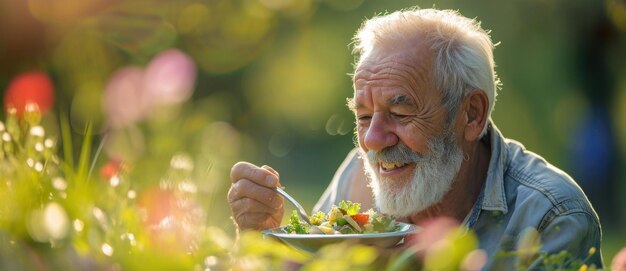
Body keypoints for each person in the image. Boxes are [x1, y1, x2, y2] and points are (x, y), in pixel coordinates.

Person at [227, 8, 604, 269]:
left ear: (471, 115)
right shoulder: (360, 180)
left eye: (401, 113)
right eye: (362, 115)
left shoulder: (551, 216)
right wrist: (257, 240)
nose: (372, 141)